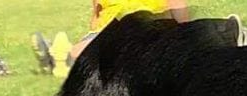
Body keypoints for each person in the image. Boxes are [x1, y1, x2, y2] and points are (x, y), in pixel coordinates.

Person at [32, 0, 190, 78]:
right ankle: (65, 58)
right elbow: (177, 6)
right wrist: (186, 34)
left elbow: (97, 15)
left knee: (89, 46)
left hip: (114, 32)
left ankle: (64, 58)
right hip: (149, 31)